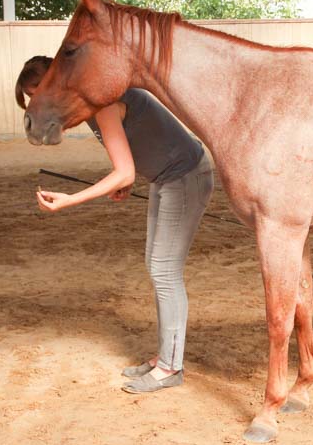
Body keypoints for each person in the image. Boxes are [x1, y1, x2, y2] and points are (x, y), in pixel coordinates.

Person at [15, 56, 214, 393]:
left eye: (40, 95)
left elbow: (124, 171)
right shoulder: (91, 105)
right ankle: (166, 355)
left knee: (165, 271)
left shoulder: (103, 103)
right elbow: (132, 156)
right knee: (157, 267)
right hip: (166, 178)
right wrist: (125, 180)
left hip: (185, 176)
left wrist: (70, 200)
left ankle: (170, 367)